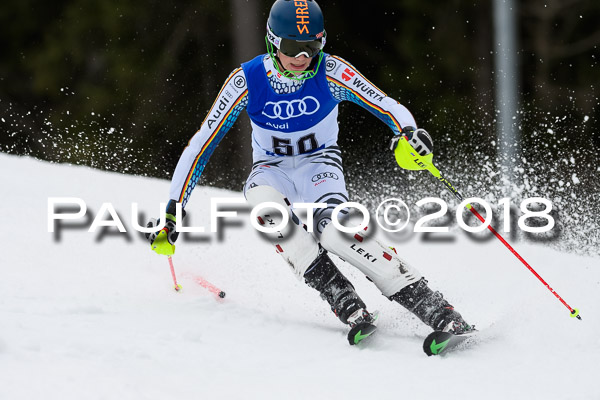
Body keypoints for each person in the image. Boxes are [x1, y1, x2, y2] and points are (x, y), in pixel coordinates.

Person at [147, 0, 473, 345]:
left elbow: (386, 104)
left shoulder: (330, 72)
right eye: (292, 48)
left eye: (312, 46)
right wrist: (173, 208)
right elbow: (201, 145)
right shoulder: (247, 79)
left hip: (319, 166)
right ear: (273, 41)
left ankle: (438, 311)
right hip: (272, 169)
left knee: (336, 233)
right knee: (267, 210)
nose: (303, 58)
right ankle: (344, 301)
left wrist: (407, 132)